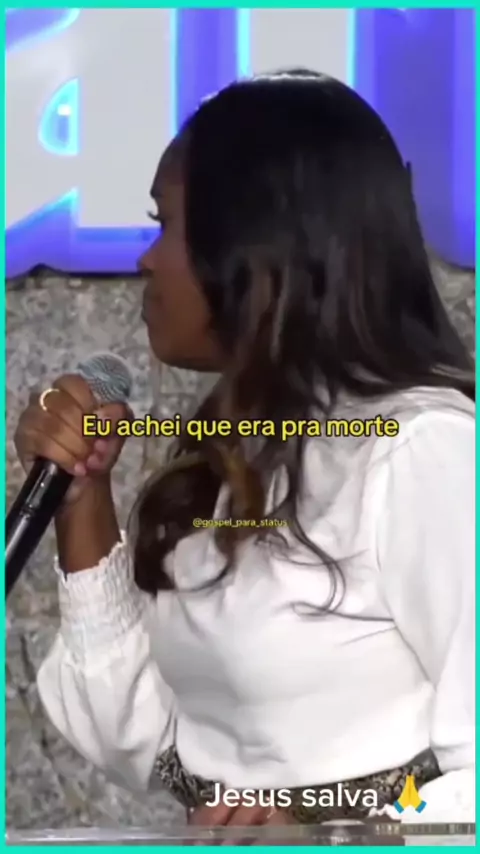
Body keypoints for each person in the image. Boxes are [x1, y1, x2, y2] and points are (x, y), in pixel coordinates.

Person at [15, 70, 474, 831]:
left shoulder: (423, 450)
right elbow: (145, 744)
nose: (146, 260)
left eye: (165, 225)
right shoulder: (238, 453)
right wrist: (81, 497)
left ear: (256, 247)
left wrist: (336, 835)